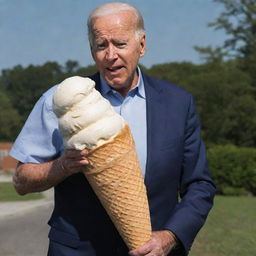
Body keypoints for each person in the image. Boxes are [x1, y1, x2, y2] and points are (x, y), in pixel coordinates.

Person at [10, 2, 216, 256]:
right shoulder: (60, 101)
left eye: (120, 44)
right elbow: (21, 181)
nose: (110, 55)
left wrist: (170, 236)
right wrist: (63, 166)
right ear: (91, 50)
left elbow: (200, 185)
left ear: (141, 46)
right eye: (101, 45)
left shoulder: (178, 103)